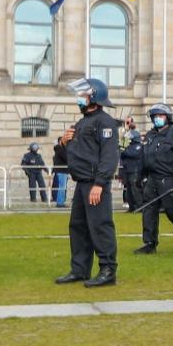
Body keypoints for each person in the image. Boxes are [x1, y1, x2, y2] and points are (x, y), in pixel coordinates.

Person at [54, 77, 121, 288]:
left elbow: (109, 156)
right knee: (78, 227)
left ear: (94, 97)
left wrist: (100, 183)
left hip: (95, 184)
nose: (79, 99)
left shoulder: (105, 122)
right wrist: (62, 144)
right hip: (82, 183)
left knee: (100, 226)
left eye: (83, 95)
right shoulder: (81, 123)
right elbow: (70, 157)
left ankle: (107, 269)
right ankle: (80, 269)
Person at [134, 102, 173, 254]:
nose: (157, 119)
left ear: (167, 117)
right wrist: (139, 176)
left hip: (168, 179)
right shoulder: (149, 135)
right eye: (155, 116)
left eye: (160, 116)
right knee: (149, 211)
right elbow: (143, 157)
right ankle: (150, 243)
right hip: (152, 179)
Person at [119, 129, 145, 212]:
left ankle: (139, 207)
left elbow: (131, 154)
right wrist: (124, 141)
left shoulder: (139, 146)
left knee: (135, 190)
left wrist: (124, 150)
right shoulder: (128, 145)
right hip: (127, 171)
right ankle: (132, 207)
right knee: (128, 191)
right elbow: (120, 151)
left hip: (135, 171)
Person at [51, 137, 70, 207]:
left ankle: (61, 202)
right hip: (62, 171)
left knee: (62, 187)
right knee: (62, 187)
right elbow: (66, 158)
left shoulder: (60, 149)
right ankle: (60, 203)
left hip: (63, 171)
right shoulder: (60, 149)